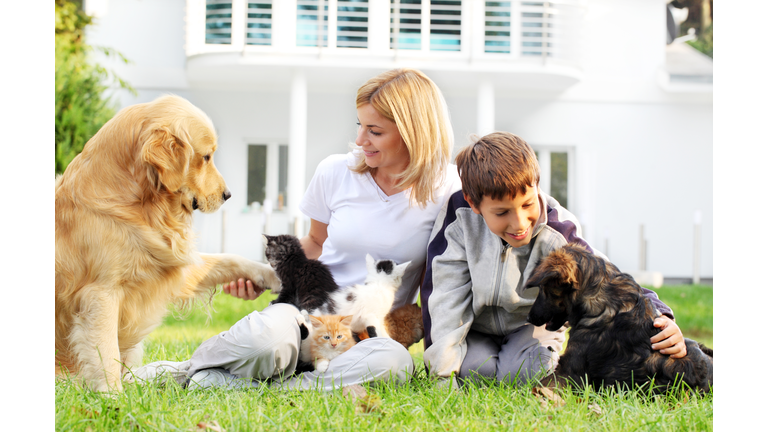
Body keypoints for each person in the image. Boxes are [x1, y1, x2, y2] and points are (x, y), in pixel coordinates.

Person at [126, 68, 461, 391]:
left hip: (363, 339)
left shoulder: (447, 190)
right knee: (264, 340)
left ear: (413, 132)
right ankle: (187, 371)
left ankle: (276, 388)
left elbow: (448, 279)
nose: (360, 140)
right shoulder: (335, 172)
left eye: (374, 131)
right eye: (360, 125)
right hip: (303, 317)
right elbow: (315, 243)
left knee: (395, 363)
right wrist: (262, 277)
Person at [421, 131, 687, 389]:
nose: (520, 223)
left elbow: (609, 280)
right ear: (474, 203)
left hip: (531, 327)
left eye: (527, 204)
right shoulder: (458, 219)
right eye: (502, 212)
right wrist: (443, 375)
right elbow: (444, 296)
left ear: (537, 186)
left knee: (523, 375)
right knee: (475, 373)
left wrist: (660, 314)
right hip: (474, 328)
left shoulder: (559, 229)